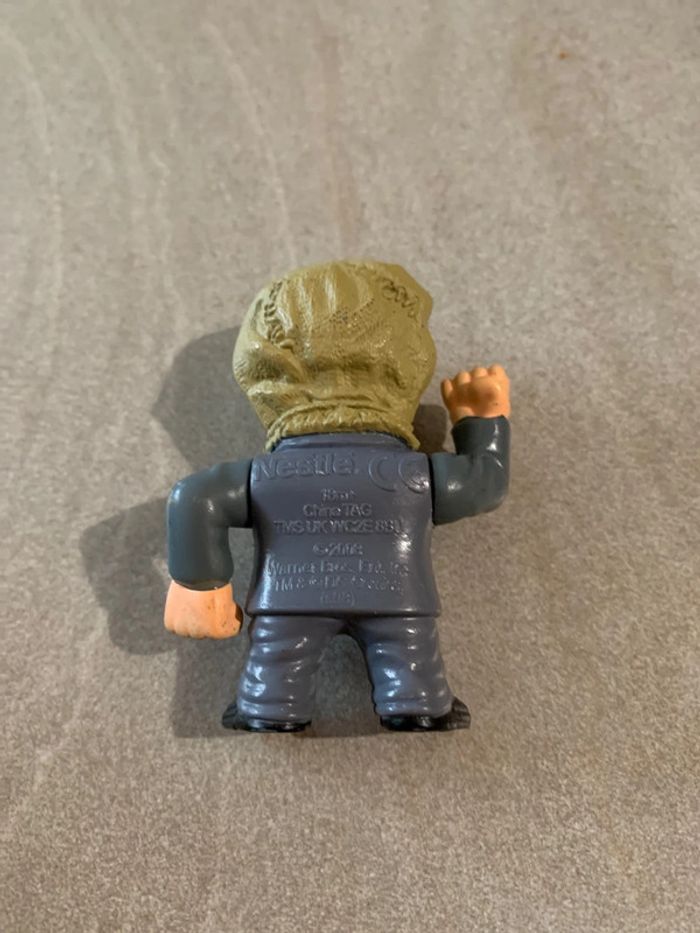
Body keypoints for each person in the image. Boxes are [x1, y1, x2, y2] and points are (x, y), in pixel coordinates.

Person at [164, 260, 510, 732]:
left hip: (289, 598)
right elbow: (484, 484)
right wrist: (483, 421)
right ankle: (419, 702)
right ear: (408, 364)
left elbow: (195, 497)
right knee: (408, 653)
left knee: (277, 659)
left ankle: (268, 706)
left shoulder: (265, 476)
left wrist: (199, 583)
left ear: (262, 373)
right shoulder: (415, 474)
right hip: (397, 598)